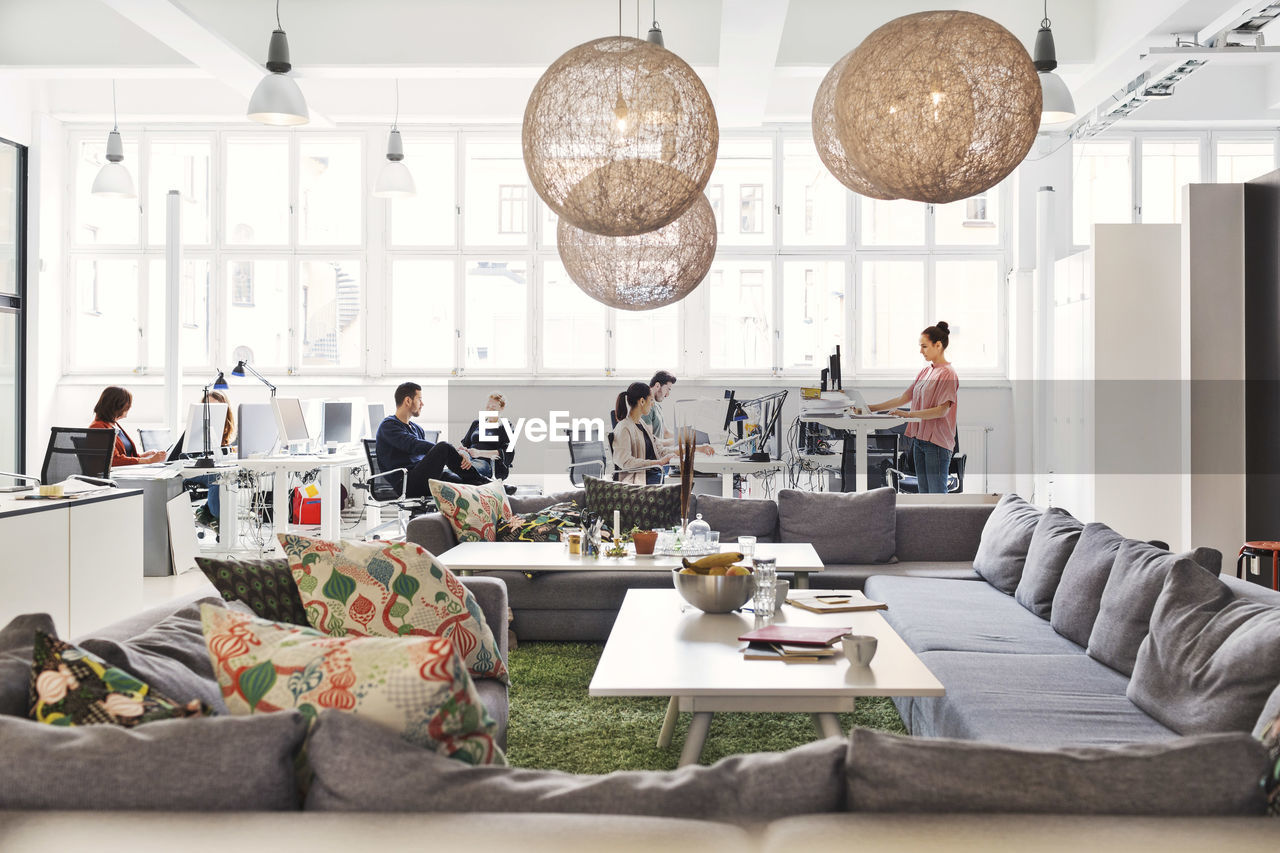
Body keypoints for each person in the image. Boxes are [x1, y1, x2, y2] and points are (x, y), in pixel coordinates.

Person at [866, 321, 959, 494]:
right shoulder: (925, 372)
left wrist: (908, 415)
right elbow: (904, 398)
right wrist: (869, 408)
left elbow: (942, 410)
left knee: (937, 497)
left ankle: (941, 522)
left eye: (924, 346)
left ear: (938, 345)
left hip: (936, 445)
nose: (920, 351)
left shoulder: (948, 374)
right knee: (923, 496)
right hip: (919, 442)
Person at [377, 381, 489, 498]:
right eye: (419, 399)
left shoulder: (417, 428)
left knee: (464, 484)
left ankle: (490, 488)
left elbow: (428, 457)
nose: (422, 404)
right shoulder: (389, 426)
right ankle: (484, 481)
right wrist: (454, 452)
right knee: (443, 447)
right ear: (408, 401)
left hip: (423, 477)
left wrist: (454, 455)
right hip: (408, 484)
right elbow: (413, 444)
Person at [612, 382, 712, 485]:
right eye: (651, 400)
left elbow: (662, 451)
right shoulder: (624, 427)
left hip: (653, 474)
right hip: (641, 480)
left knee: (690, 479)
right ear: (642, 401)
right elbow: (625, 462)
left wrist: (698, 448)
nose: (652, 404)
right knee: (685, 482)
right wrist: (658, 462)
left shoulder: (642, 424)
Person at [89, 386, 166, 467]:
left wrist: (143, 456)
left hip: (124, 472)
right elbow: (113, 460)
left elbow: (125, 456)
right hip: (115, 475)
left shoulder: (114, 424)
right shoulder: (98, 427)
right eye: (127, 405)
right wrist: (149, 460)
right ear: (117, 406)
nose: (129, 407)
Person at [192, 390, 236, 530]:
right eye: (208, 407)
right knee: (218, 477)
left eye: (216, 407)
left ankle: (205, 513)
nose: (212, 411)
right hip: (195, 470)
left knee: (230, 476)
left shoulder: (224, 427)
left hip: (212, 469)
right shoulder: (196, 426)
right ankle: (216, 516)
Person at [460, 392, 514, 480]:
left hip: (486, 462)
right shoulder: (477, 423)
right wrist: (463, 450)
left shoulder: (505, 425)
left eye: (493, 408)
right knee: (449, 467)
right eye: (488, 407)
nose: (489, 410)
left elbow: (508, 453)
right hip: (469, 459)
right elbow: (466, 444)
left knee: (464, 470)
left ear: (501, 408)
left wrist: (479, 453)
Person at [642, 370, 677, 440]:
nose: (667, 395)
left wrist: (684, 438)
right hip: (656, 450)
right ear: (657, 385)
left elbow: (666, 433)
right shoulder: (647, 407)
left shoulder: (657, 406)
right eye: (667, 389)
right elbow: (649, 441)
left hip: (660, 449)